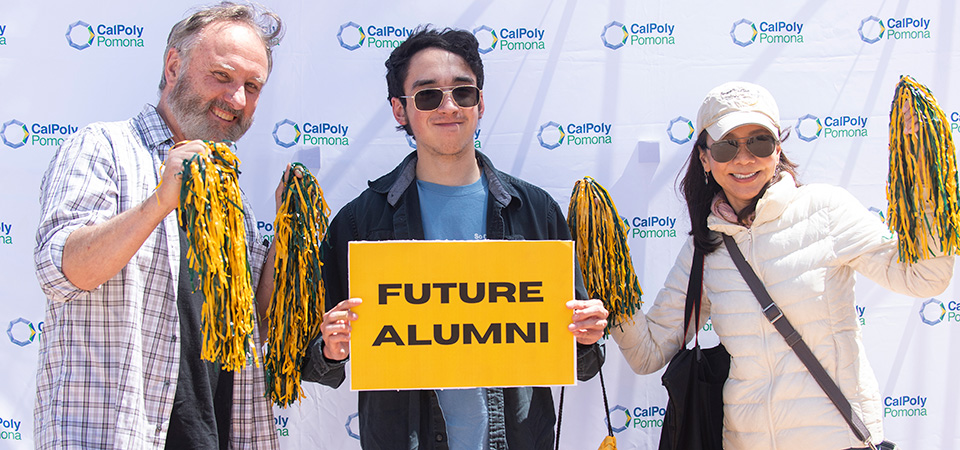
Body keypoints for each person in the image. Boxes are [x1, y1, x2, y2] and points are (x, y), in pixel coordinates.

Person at [300, 27, 609, 449]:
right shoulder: (360, 221)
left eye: (462, 93)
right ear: (399, 109)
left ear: (480, 103)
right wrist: (333, 346)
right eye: (427, 96)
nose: (449, 106)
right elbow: (315, 359)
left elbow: (584, 360)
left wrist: (587, 334)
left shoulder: (536, 212)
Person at [611, 81, 955, 450]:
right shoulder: (705, 248)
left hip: (839, 440)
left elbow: (924, 278)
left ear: (777, 149)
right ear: (705, 159)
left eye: (758, 142)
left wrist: (923, 172)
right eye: (727, 146)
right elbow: (647, 354)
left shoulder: (825, 211)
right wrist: (606, 283)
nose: (744, 159)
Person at [33, 3, 285, 449]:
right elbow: (63, 271)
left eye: (252, 86)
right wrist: (159, 201)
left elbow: (254, 326)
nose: (238, 100)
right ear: (173, 66)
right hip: (115, 436)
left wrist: (287, 232)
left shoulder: (232, 194)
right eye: (223, 76)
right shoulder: (103, 147)